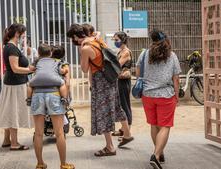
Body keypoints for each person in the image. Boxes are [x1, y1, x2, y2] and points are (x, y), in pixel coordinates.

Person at [66, 24, 133, 157]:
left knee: (103, 113)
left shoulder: (85, 48)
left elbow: (84, 69)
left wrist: (82, 52)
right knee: (116, 106)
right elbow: (97, 33)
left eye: (72, 38)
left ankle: (110, 147)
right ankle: (127, 134)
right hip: (111, 77)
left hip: (100, 81)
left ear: (75, 36)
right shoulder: (97, 39)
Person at [136, 29, 181, 169]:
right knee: (165, 125)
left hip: (147, 95)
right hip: (166, 95)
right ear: (165, 39)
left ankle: (159, 152)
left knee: (154, 125)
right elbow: (176, 78)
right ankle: (155, 156)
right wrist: (177, 95)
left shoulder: (144, 54)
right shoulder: (172, 55)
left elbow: (138, 72)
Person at [30, 44, 74, 169]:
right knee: (59, 133)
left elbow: (31, 71)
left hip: (37, 95)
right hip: (54, 94)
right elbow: (66, 82)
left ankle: (40, 163)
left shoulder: (38, 63)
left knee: (38, 133)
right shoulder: (60, 63)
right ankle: (63, 164)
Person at [0, 23, 34, 151]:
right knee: (13, 112)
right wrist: (30, 69)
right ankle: (14, 143)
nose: (24, 36)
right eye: (23, 33)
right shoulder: (11, 48)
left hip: (13, 84)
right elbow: (15, 69)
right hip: (15, 85)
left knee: (10, 111)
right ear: (17, 34)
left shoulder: (11, 47)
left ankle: (7, 140)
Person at [111, 32, 133, 140]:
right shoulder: (121, 51)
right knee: (120, 105)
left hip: (124, 81)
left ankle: (127, 132)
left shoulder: (126, 52)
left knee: (125, 105)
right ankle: (123, 129)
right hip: (119, 80)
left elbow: (117, 65)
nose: (115, 42)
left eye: (116, 40)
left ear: (123, 40)